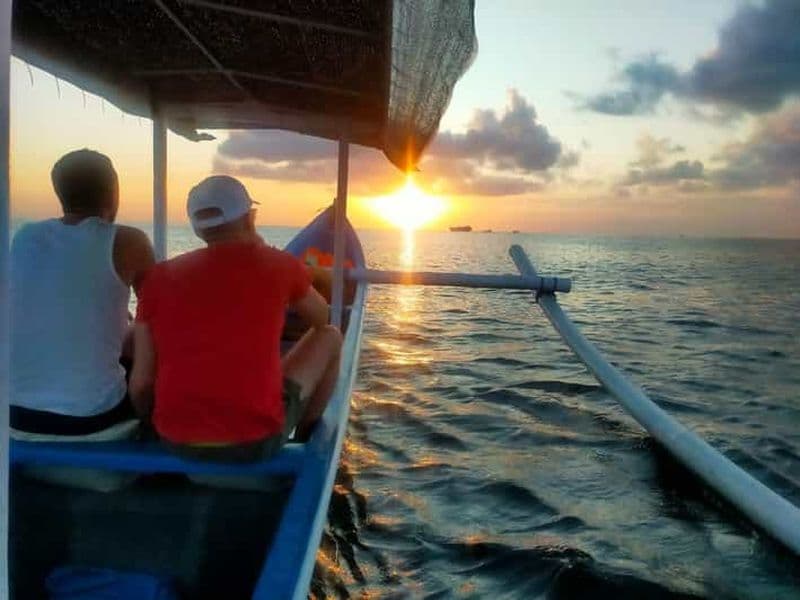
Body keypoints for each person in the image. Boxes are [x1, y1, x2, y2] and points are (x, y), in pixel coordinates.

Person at [130, 175, 342, 462]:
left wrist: (154, 425)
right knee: (330, 335)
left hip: (175, 439)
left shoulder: (159, 277)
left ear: (197, 228)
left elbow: (141, 384)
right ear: (250, 217)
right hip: (256, 442)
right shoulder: (278, 265)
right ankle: (306, 440)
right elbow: (321, 317)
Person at [10, 149, 155, 489]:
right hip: (88, 423)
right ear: (113, 192)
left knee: (131, 332)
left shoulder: (26, 236)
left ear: (59, 193)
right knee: (151, 338)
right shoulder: (127, 239)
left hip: (16, 417)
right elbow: (160, 316)